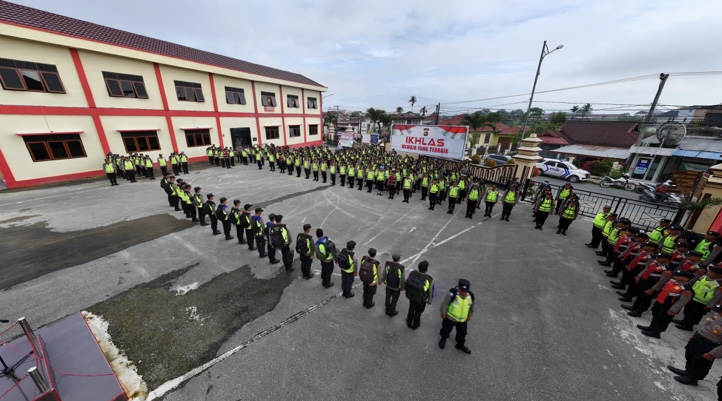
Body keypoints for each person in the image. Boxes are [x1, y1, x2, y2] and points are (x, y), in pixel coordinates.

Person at [667, 308, 722, 386]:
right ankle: (688, 371)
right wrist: (693, 335)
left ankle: (693, 378)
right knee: (690, 354)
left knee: (700, 361)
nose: (718, 312)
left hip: (711, 343)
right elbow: (704, 324)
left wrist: (713, 354)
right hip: (699, 337)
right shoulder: (717, 316)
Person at [638, 270, 694, 338]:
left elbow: (682, 301)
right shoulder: (672, 281)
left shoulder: (686, 290)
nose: (675, 275)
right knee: (656, 315)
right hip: (660, 302)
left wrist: (673, 310)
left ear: (686, 279)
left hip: (668, 306)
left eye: (679, 275)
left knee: (662, 320)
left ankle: (656, 332)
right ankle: (651, 327)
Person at [673, 265, 722, 331]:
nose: (709, 272)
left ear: (719, 275)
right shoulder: (703, 277)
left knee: (695, 315)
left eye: (712, 272)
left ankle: (689, 326)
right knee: (688, 310)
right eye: (709, 271)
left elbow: (717, 297)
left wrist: (709, 306)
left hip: (702, 302)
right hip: (694, 297)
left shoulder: (719, 284)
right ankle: (684, 320)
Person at [439, 279, 474, 354]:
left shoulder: (470, 296)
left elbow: (471, 307)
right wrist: (443, 313)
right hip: (450, 318)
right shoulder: (453, 294)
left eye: (465, 291)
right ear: (459, 288)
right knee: (446, 329)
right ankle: (443, 338)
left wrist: (469, 315)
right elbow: (445, 303)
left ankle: (460, 345)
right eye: (462, 290)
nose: (463, 293)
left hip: (462, 320)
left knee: (462, 333)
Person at [406, 260, 434, 330]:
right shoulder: (429, 279)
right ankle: (415, 324)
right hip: (421, 299)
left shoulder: (412, 273)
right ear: (426, 269)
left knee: (411, 308)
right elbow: (430, 291)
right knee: (418, 311)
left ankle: (409, 322)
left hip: (412, 296)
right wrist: (429, 301)